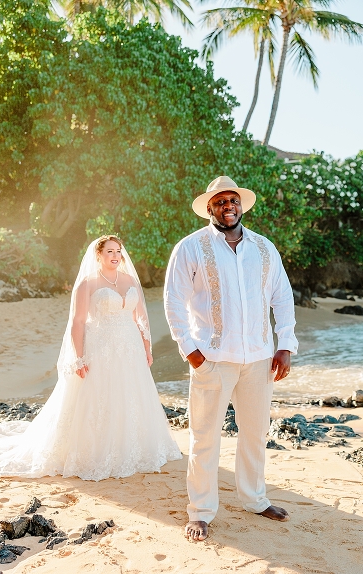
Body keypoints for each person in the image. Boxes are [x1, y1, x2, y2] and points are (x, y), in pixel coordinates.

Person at [163, 176, 298, 542]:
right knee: (205, 437)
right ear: (210, 208)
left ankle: (254, 499)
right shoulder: (191, 248)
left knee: (255, 432)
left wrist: (285, 344)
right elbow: (173, 301)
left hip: (258, 358)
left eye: (233, 201)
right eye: (221, 202)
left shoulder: (264, 248)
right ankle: (201, 512)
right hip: (212, 359)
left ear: (241, 206)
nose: (228, 207)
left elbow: (282, 298)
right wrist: (191, 351)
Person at [0, 235, 181, 480]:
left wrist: (147, 348)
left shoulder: (130, 280)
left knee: (130, 394)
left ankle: (131, 446)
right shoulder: (88, 284)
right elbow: (77, 322)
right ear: (99, 255)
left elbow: (141, 319)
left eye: (118, 251)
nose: (116, 255)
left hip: (130, 348)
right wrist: (78, 357)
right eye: (110, 251)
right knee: (99, 396)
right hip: (100, 347)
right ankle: (95, 450)